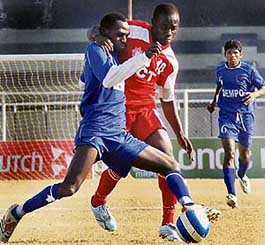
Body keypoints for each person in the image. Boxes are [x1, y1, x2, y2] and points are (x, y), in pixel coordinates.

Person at [0, 12, 218, 244]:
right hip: (95, 132)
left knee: (170, 163)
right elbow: (108, 79)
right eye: (120, 36)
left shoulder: (118, 56)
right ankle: (16, 213)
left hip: (119, 135)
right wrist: (137, 55)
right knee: (70, 187)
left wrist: (180, 133)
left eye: (126, 36)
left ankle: (186, 206)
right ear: (106, 34)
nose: (126, 40)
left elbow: (89, 78)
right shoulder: (96, 50)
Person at [88, 3, 219, 242]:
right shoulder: (135, 30)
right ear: (152, 23)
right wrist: (97, 37)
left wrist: (179, 133)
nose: (168, 32)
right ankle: (98, 201)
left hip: (145, 110)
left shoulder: (170, 61)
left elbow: (167, 100)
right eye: (163, 26)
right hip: (118, 106)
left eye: (174, 28)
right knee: (120, 166)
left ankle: (167, 224)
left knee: (167, 157)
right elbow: (99, 30)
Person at [207, 39, 265, 208]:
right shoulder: (220, 70)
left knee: (245, 154)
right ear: (225, 54)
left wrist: (254, 95)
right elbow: (219, 87)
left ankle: (242, 175)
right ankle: (232, 194)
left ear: (241, 55)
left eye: (235, 53)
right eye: (229, 53)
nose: (232, 56)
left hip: (245, 116)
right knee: (229, 153)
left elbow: (263, 87)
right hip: (226, 115)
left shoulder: (249, 70)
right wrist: (213, 102)